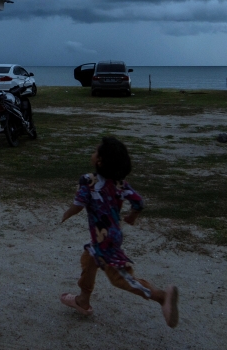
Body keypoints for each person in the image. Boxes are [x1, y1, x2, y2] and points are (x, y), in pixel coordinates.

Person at [58, 136, 179, 328]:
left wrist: (66, 214)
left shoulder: (89, 181)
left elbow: (78, 205)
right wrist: (132, 217)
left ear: (99, 161)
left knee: (119, 278)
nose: (93, 152)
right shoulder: (120, 184)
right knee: (89, 260)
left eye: (95, 151)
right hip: (107, 238)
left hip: (104, 242)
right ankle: (83, 299)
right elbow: (138, 202)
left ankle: (160, 297)